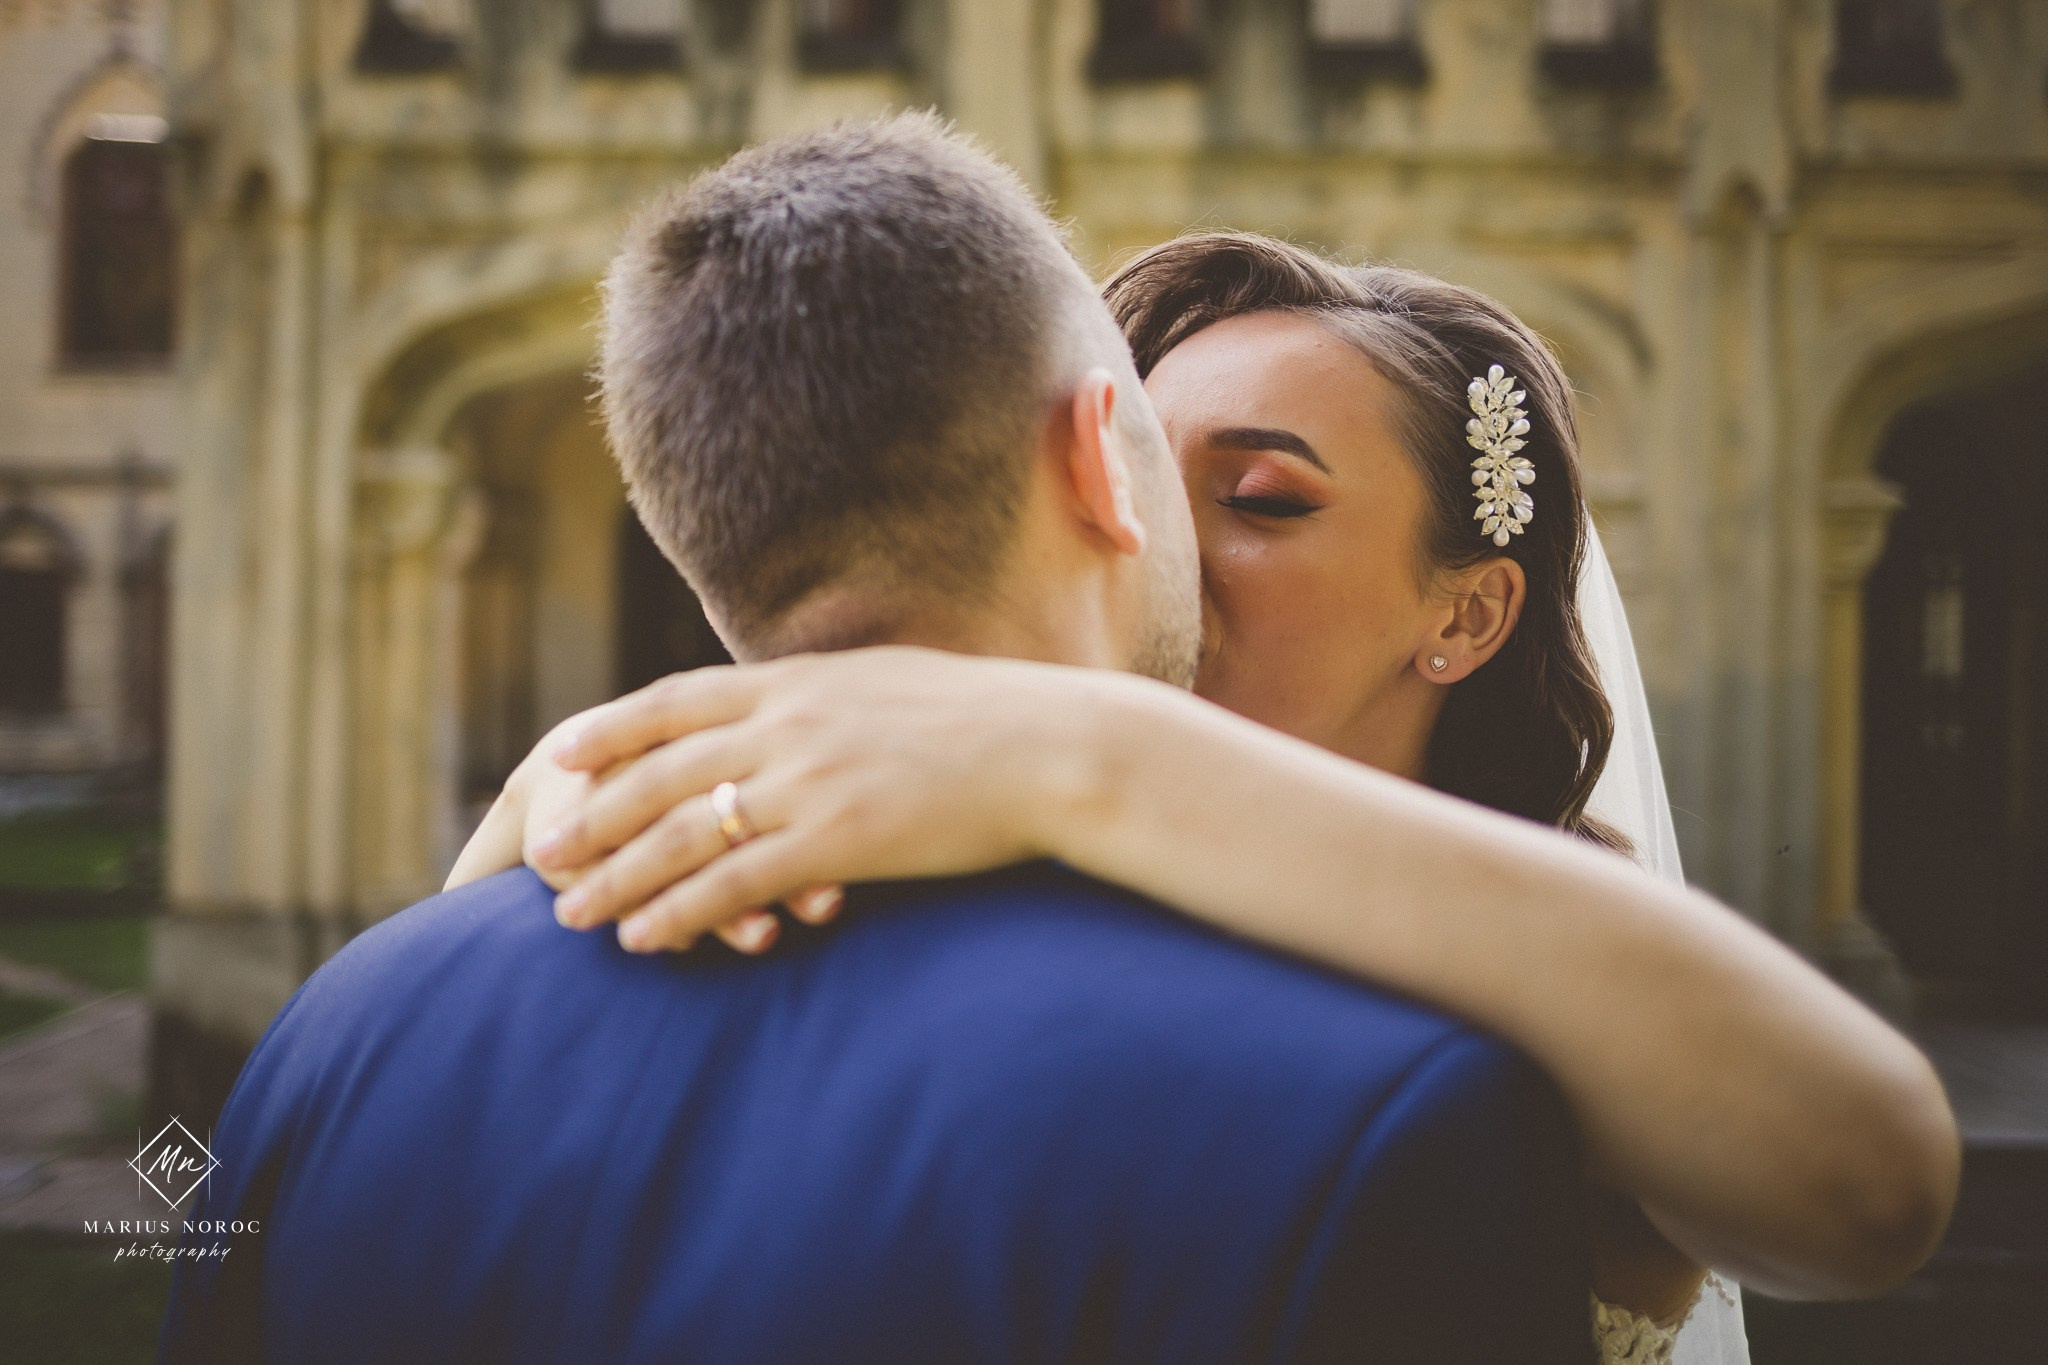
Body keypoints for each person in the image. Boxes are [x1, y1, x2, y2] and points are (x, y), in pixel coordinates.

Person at [157, 114, 1601, 1365]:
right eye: (1170, 456)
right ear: (1105, 456)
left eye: (1271, 500)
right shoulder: (1374, 1121)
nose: (1197, 543)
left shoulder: (327, 1045)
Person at [452, 234, 1961, 1365]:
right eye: (1147, 488)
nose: (1162, 551)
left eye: (1263, 502)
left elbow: (1867, 1178)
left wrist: (1087, 752)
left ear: (1468, 616)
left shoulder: (1557, 960)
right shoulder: (971, 883)